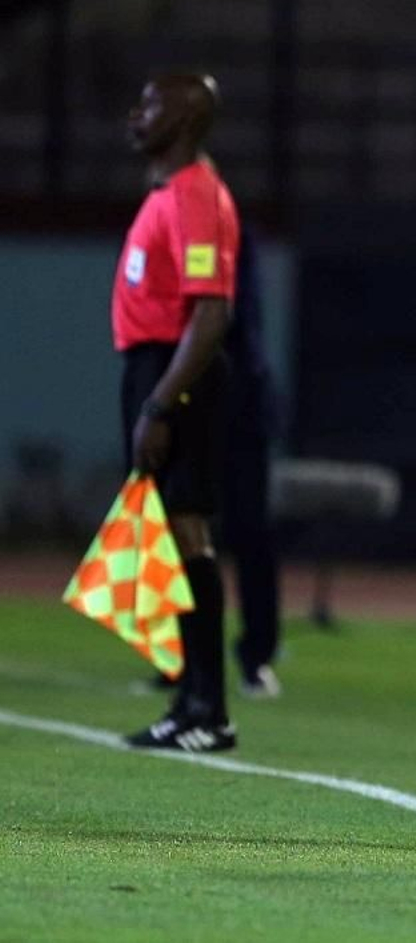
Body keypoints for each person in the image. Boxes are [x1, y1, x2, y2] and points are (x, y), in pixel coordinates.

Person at [114, 73, 241, 751]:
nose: (136, 113)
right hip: (153, 367)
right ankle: (187, 697)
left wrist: (161, 401)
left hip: (175, 370)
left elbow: (211, 313)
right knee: (170, 534)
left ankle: (208, 709)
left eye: (152, 103)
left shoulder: (196, 194)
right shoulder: (170, 191)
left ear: (189, 117)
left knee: (190, 532)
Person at [222, 226, 283, 697]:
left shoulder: (224, 227)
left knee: (251, 532)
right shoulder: (161, 215)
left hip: (239, 400)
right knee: (177, 531)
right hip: (189, 396)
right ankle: (174, 657)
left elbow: (229, 317)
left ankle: (258, 655)